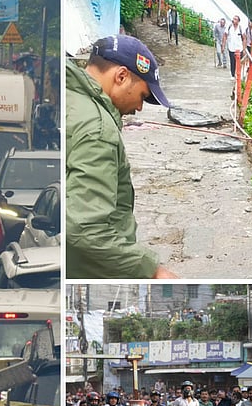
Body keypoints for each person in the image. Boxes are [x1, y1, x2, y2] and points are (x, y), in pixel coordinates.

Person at [66, 35, 177, 279]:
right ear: (121, 77)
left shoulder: (70, 99)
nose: (139, 108)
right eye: (142, 96)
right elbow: (84, 228)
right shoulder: (98, 129)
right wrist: (151, 270)